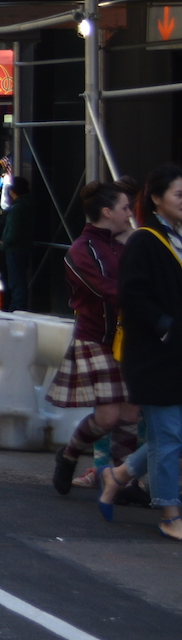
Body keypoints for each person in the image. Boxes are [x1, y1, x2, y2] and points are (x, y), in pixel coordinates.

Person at [98, 165, 182, 542]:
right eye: (179, 195)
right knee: (168, 435)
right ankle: (169, 510)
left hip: (177, 353)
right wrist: (164, 325)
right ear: (157, 198)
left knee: (173, 434)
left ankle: (118, 474)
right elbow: (130, 295)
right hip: (154, 356)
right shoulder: (146, 240)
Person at [50, 181, 137, 494]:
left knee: (129, 411)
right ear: (107, 212)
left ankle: (121, 482)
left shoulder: (121, 244)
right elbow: (106, 290)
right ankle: (70, 453)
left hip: (124, 337)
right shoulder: (81, 249)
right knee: (109, 415)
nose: (130, 214)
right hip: (95, 337)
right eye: (125, 208)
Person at [0, 174, 36, 311]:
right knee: (19, 278)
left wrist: (3, 243)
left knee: (16, 280)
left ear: (12, 191)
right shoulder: (29, 205)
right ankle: (18, 304)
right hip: (25, 245)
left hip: (14, 247)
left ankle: (18, 305)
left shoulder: (17, 208)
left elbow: (13, 231)